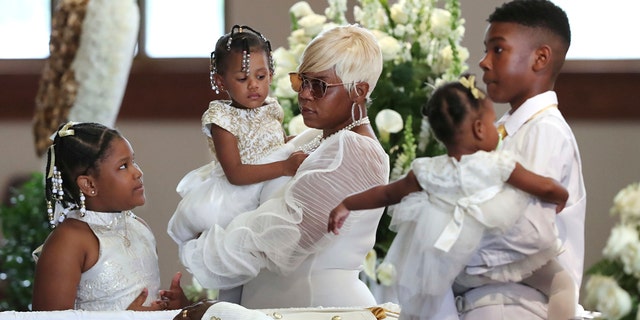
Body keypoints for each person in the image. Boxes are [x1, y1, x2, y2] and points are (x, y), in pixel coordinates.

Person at [328, 75, 575, 320]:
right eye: (492, 124)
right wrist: (561, 195)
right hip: (507, 255)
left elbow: (387, 193)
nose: (496, 131)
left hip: (459, 267)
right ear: (479, 129)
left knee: (432, 298)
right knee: (562, 283)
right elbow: (543, 186)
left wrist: (347, 203)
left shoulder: (427, 171)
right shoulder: (496, 164)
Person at [178, 24, 389, 309]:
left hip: (320, 308)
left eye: (319, 85)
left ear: (359, 90)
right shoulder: (312, 139)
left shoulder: (355, 150)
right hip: (277, 306)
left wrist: (201, 246)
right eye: (300, 81)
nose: (304, 94)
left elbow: (284, 237)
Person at [455, 0, 587, 318]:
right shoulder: (504, 132)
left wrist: (453, 260)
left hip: (516, 305)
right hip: (486, 301)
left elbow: (526, 236)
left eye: (497, 50)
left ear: (540, 58)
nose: (484, 62)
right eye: (485, 50)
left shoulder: (546, 130)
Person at [167, 25, 306, 246]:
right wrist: (285, 167)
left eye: (260, 76)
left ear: (270, 75)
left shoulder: (271, 108)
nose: (253, 85)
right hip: (235, 200)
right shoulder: (222, 120)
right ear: (221, 81)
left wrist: (299, 144)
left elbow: (275, 145)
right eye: (242, 78)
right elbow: (236, 173)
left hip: (270, 189)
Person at [32, 122, 189, 311]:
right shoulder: (69, 240)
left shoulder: (139, 227)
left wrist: (174, 306)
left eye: (134, 161)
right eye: (123, 166)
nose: (138, 172)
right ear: (89, 185)